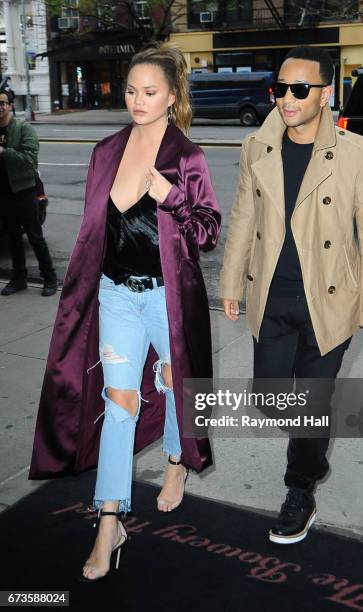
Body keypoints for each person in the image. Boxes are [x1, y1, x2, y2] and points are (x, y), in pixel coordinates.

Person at [28, 42, 221, 580]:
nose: (137, 100)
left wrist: (171, 196)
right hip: (116, 295)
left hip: (167, 297)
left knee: (178, 383)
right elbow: (95, 231)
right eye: (131, 90)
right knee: (119, 405)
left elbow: (207, 233)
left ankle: (178, 461)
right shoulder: (106, 150)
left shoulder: (186, 156)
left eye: (149, 92)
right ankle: (110, 523)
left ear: (172, 96)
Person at [219, 46, 363, 545]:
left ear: (325, 94)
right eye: (281, 89)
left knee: (313, 402)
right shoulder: (257, 146)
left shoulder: (358, 153)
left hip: (329, 301)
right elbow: (244, 221)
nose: (287, 99)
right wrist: (231, 282)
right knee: (271, 399)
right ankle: (312, 435)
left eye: (300, 89)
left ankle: (300, 488)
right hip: (270, 298)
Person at [0, 88, 57, 296]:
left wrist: (5, 152)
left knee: (34, 236)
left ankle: (49, 278)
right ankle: (18, 279)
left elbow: (30, 160)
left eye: (3, 103)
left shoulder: (23, 129)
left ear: (10, 105)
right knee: (13, 237)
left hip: (25, 191)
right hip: (4, 194)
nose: (0, 107)